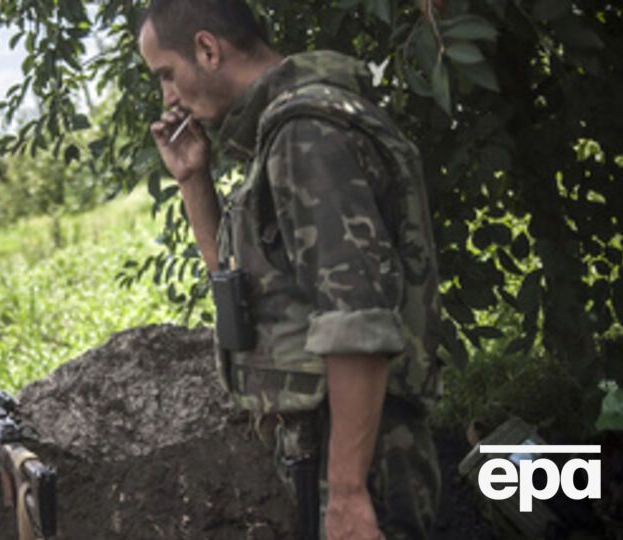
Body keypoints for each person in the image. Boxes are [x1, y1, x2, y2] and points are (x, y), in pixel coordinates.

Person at [137, 1, 443, 538]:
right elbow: (242, 290)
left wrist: (347, 495)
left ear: (207, 49)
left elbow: (357, 320)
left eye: (166, 74)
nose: (167, 96)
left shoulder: (307, 135)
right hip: (327, 450)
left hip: (360, 456)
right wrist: (192, 180)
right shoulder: (281, 136)